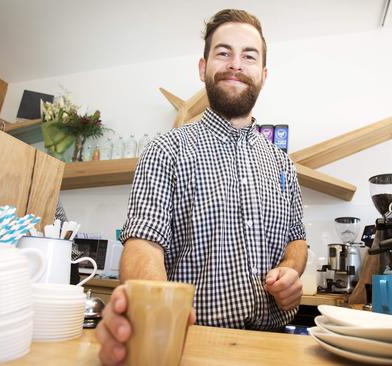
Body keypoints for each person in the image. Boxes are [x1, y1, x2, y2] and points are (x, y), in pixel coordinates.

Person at [96, 9, 307, 365]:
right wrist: (155, 317)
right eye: (223, 52)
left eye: (248, 56)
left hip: (276, 348)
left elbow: (297, 240)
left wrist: (290, 269)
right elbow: (144, 247)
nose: (235, 64)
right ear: (202, 66)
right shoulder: (166, 149)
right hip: (190, 343)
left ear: (264, 75)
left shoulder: (283, 163)